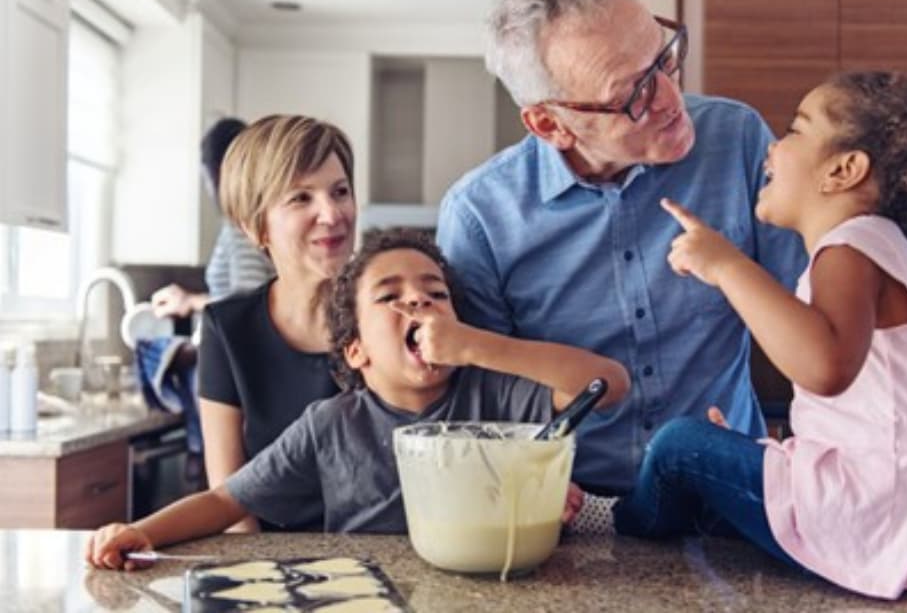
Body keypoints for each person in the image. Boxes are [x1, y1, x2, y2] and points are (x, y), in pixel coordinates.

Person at [614, 65, 907, 602]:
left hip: (885, 507)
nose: (773, 149)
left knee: (679, 447)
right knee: (722, 456)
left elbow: (825, 366)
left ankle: (613, 521)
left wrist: (725, 266)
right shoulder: (878, 250)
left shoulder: (851, 248)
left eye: (795, 129)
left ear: (843, 170)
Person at [436, 0, 805, 494]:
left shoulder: (738, 139)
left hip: (730, 489)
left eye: (664, 59)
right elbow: (487, 393)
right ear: (550, 124)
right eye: (631, 95)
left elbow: (808, 311)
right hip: (572, 510)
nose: (671, 99)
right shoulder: (480, 218)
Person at [85, 228, 631, 569]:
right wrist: (143, 531)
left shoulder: (496, 393)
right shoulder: (330, 426)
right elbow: (227, 501)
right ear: (355, 352)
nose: (418, 298)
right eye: (390, 297)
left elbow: (608, 384)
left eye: (435, 294)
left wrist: (479, 347)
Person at [196, 115, 358, 532]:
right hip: (268, 566)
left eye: (340, 192)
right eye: (301, 198)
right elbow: (230, 499)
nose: (331, 213)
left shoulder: (390, 316)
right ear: (255, 226)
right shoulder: (226, 328)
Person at [150, 118, 275, 319]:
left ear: (216, 172)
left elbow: (248, 301)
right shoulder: (253, 219)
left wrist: (190, 301)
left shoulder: (241, 226)